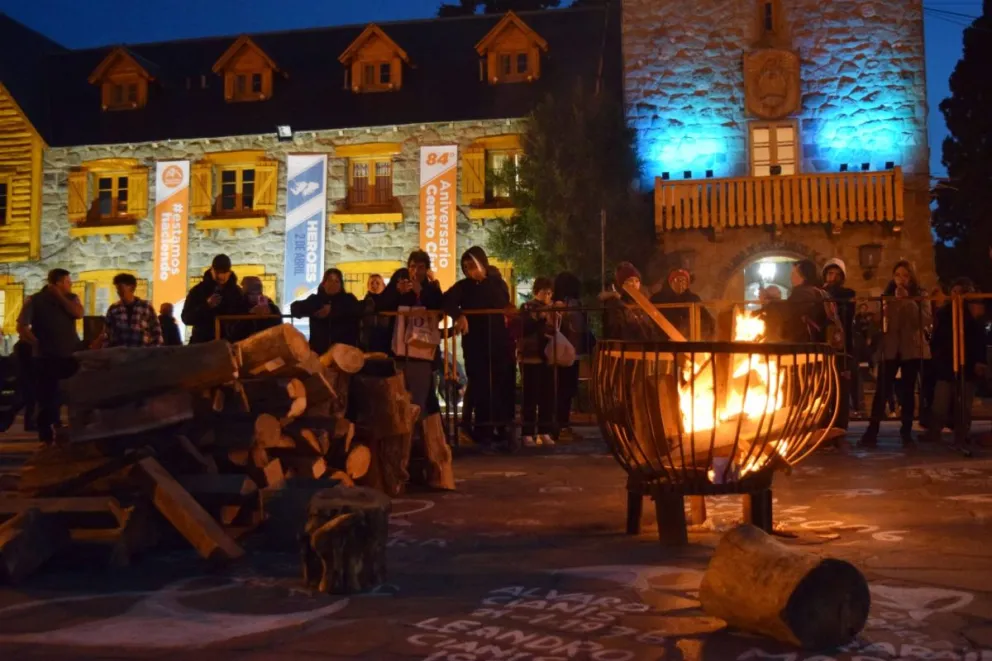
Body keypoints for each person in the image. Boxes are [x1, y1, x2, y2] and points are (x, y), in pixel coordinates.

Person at [443, 246, 512, 449]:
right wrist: (459, 315)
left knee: (497, 382)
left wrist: (486, 278)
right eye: (465, 266)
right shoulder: (463, 286)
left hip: (496, 339)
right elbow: (446, 300)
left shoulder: (496, 283)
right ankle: (480, 430)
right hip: (475, 341)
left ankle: (500, 427)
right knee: (479, 383)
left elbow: (502, 300)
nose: (469, 269)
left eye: (472, 264)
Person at [860, 260, 931, 448]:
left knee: (907, 392)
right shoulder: (887, 295)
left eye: (905, 275)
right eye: (898, 275)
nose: (901, 279)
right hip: (890, 348)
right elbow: (878, 323)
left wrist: (907, 300)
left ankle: (906, 432)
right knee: (882, 390)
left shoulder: (920, 295)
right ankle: (872, 431)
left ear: (912, 277)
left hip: (911, 349)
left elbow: (924, 321)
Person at [16, 269, 84, 443]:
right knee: (46, 396)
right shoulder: (35, 300)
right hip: (45, 357)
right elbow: (22, 325)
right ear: (58, 283)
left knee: (67, 394)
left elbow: (78, 313)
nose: (71, 285)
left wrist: (60, 298)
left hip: (68, 355)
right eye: (68, 282)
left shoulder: (71, 298)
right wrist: (35, 342)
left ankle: (63, 427)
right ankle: (45, 434)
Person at [377, 250, 445, 417]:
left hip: (422, 352)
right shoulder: (399, 283)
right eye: (413, 266)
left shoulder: (432, 288)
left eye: (421, 267)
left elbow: (439, 312)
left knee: (421, 397)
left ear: (426, 269)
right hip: (400, 350)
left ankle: (422, 434)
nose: (416, 271)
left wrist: (421, 292)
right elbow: (382, 306)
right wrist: (396, 292)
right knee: (399, 395)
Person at [924, 279, 985, 449]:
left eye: (960, 293)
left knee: (963, 404)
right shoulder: (944, 315)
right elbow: (938, 338)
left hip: (967, 364)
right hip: (946, 365)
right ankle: (934, 432)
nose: (957, 296)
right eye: (954, 293)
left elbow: (978, 338)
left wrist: (980, 361)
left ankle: (961, 435)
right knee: (940, 402)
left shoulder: (972, 315)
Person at [518, 277, 559, 447]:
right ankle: (527, 433)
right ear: (536, 292)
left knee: (546, 396)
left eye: (550, 293)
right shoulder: (527, 307)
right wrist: (539, 318)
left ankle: (544, 431)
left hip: (547, 356)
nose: (547, 296)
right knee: (530, 396)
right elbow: (524, 328)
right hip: (530, 355)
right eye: (544, 292)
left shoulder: (552, 309)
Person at [821, 258, 857, 431]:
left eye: (836, 274)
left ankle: (839, 429)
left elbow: (847, 314)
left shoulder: (848, 294)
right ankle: (823, 428)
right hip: (823, 347)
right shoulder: (819, 294)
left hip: (843, 348)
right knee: (824, 389)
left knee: (841, 390)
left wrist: (829, 295)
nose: (832, 277)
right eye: (830, 273)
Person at [291, 268, 361, 354]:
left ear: (341, 285)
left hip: (344, 352)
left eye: (336, 281)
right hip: (320, 351)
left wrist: (333, 310)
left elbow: (356, 309)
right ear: (324, 283)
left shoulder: (348, 299)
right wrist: (316, 308)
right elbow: (295, 308)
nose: (333, 284)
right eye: (330, 280)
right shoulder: (315, 299)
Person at [553, 271, 588, 442]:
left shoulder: (556, 302)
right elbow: (579, 327)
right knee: (566, 390)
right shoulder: (572, 304)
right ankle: (562, 426)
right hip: (571, 352)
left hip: (559, 352)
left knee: (559, 390)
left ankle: (557, 426)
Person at [182, 254, 245, 344]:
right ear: (212, 270)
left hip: (228, 344)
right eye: (218, 272)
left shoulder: (237, 292)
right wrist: (206, 306)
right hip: (203, 344)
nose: (221, 276)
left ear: (230, 272)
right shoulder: (198, 291)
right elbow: (186, 318)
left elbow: (243, 318)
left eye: (225, 272)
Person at [601, 262, 664, 341]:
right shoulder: (615, 304)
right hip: (628, 348)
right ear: (622, 284)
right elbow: (618, 331)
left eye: (637, 281)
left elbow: (651, 329)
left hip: (647, 348)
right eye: (630, 281)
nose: (634, 284)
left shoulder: (642, 303)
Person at [99, 273, 163, 348]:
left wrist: (153, 352)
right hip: (119, 354)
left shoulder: (146, 306)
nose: (118, 291)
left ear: (131, 287)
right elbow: (107, 333)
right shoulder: (114, 309)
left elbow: (156, 331)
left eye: (121, 288)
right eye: (117, 289)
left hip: (142, 353)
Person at [650, 268, 713, 339]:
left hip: (689, 340)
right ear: (670, 282)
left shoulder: (693, 299)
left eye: (684, 280)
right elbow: (651, 321)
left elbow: (707, 320)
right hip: (664, 342)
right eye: (677, 280)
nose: (681, 283)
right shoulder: (658, 299)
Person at [229, 276, 282, 341]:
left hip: (265, 342)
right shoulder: (239, 305)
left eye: (258, 293)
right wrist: (249, 314)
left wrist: (270, 312)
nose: (255, 297)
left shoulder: (269, 305)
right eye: (251, 294)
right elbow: (233, 330)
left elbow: (278, 326)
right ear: (245, 294)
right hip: (244, 343)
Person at [362, 273, 392, 354]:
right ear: (368, 286)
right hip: (368, 338)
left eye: (377, 283)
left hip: (385, 337)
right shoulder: (364, 303)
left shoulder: (389, 302)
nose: (374, 285)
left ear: (383, 285)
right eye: (372, 283)